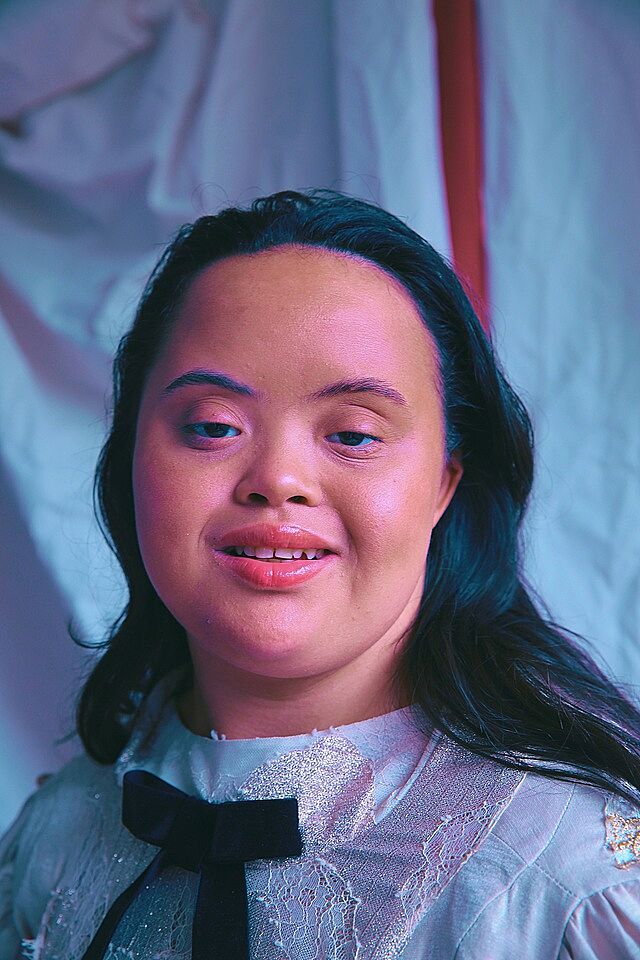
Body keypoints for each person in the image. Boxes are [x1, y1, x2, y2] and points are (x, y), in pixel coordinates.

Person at [1, 189, 639, 960]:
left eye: (354, 435)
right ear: (130, 456)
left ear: (445, 484)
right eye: (212, 426)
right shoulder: (56, 841)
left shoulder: (569, 882)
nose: (278, 479)